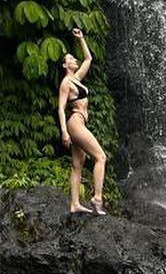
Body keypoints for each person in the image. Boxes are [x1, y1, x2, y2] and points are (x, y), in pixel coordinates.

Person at [57, 27, 108, 215]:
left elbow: (88, 59)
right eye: (70, 59)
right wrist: (64, 131)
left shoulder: (76, 79)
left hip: (80, 122)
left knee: (77, 165)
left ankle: (75, 204)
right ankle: (97, 198)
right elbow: (61, 108)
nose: (74, 60)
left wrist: (81, 39)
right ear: (64, 66)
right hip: (75, 122)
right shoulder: (66, 84)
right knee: (100, 157)